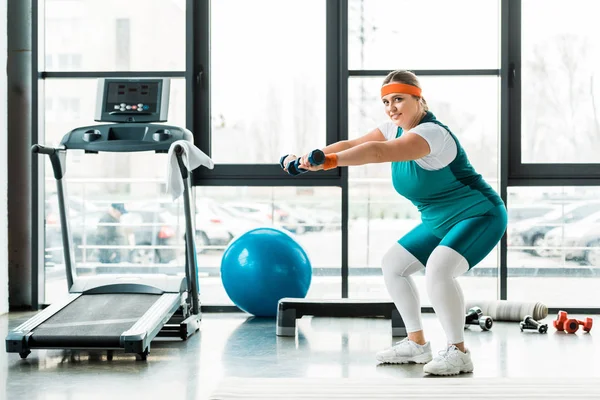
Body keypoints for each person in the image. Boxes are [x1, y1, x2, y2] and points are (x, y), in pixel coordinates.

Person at [282, 70, 507, 376]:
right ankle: (416, 344)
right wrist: (309, 158)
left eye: (399, 99)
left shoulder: (432, 134)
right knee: (393, 264)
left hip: (479, 213)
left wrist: (330, 162)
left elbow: (377, 152)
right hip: (438, 220)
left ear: (419, 99)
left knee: (439, 269)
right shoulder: (393, 129)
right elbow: (354, 142)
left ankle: (459, 352)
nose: (391, 107)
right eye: (386, 101)